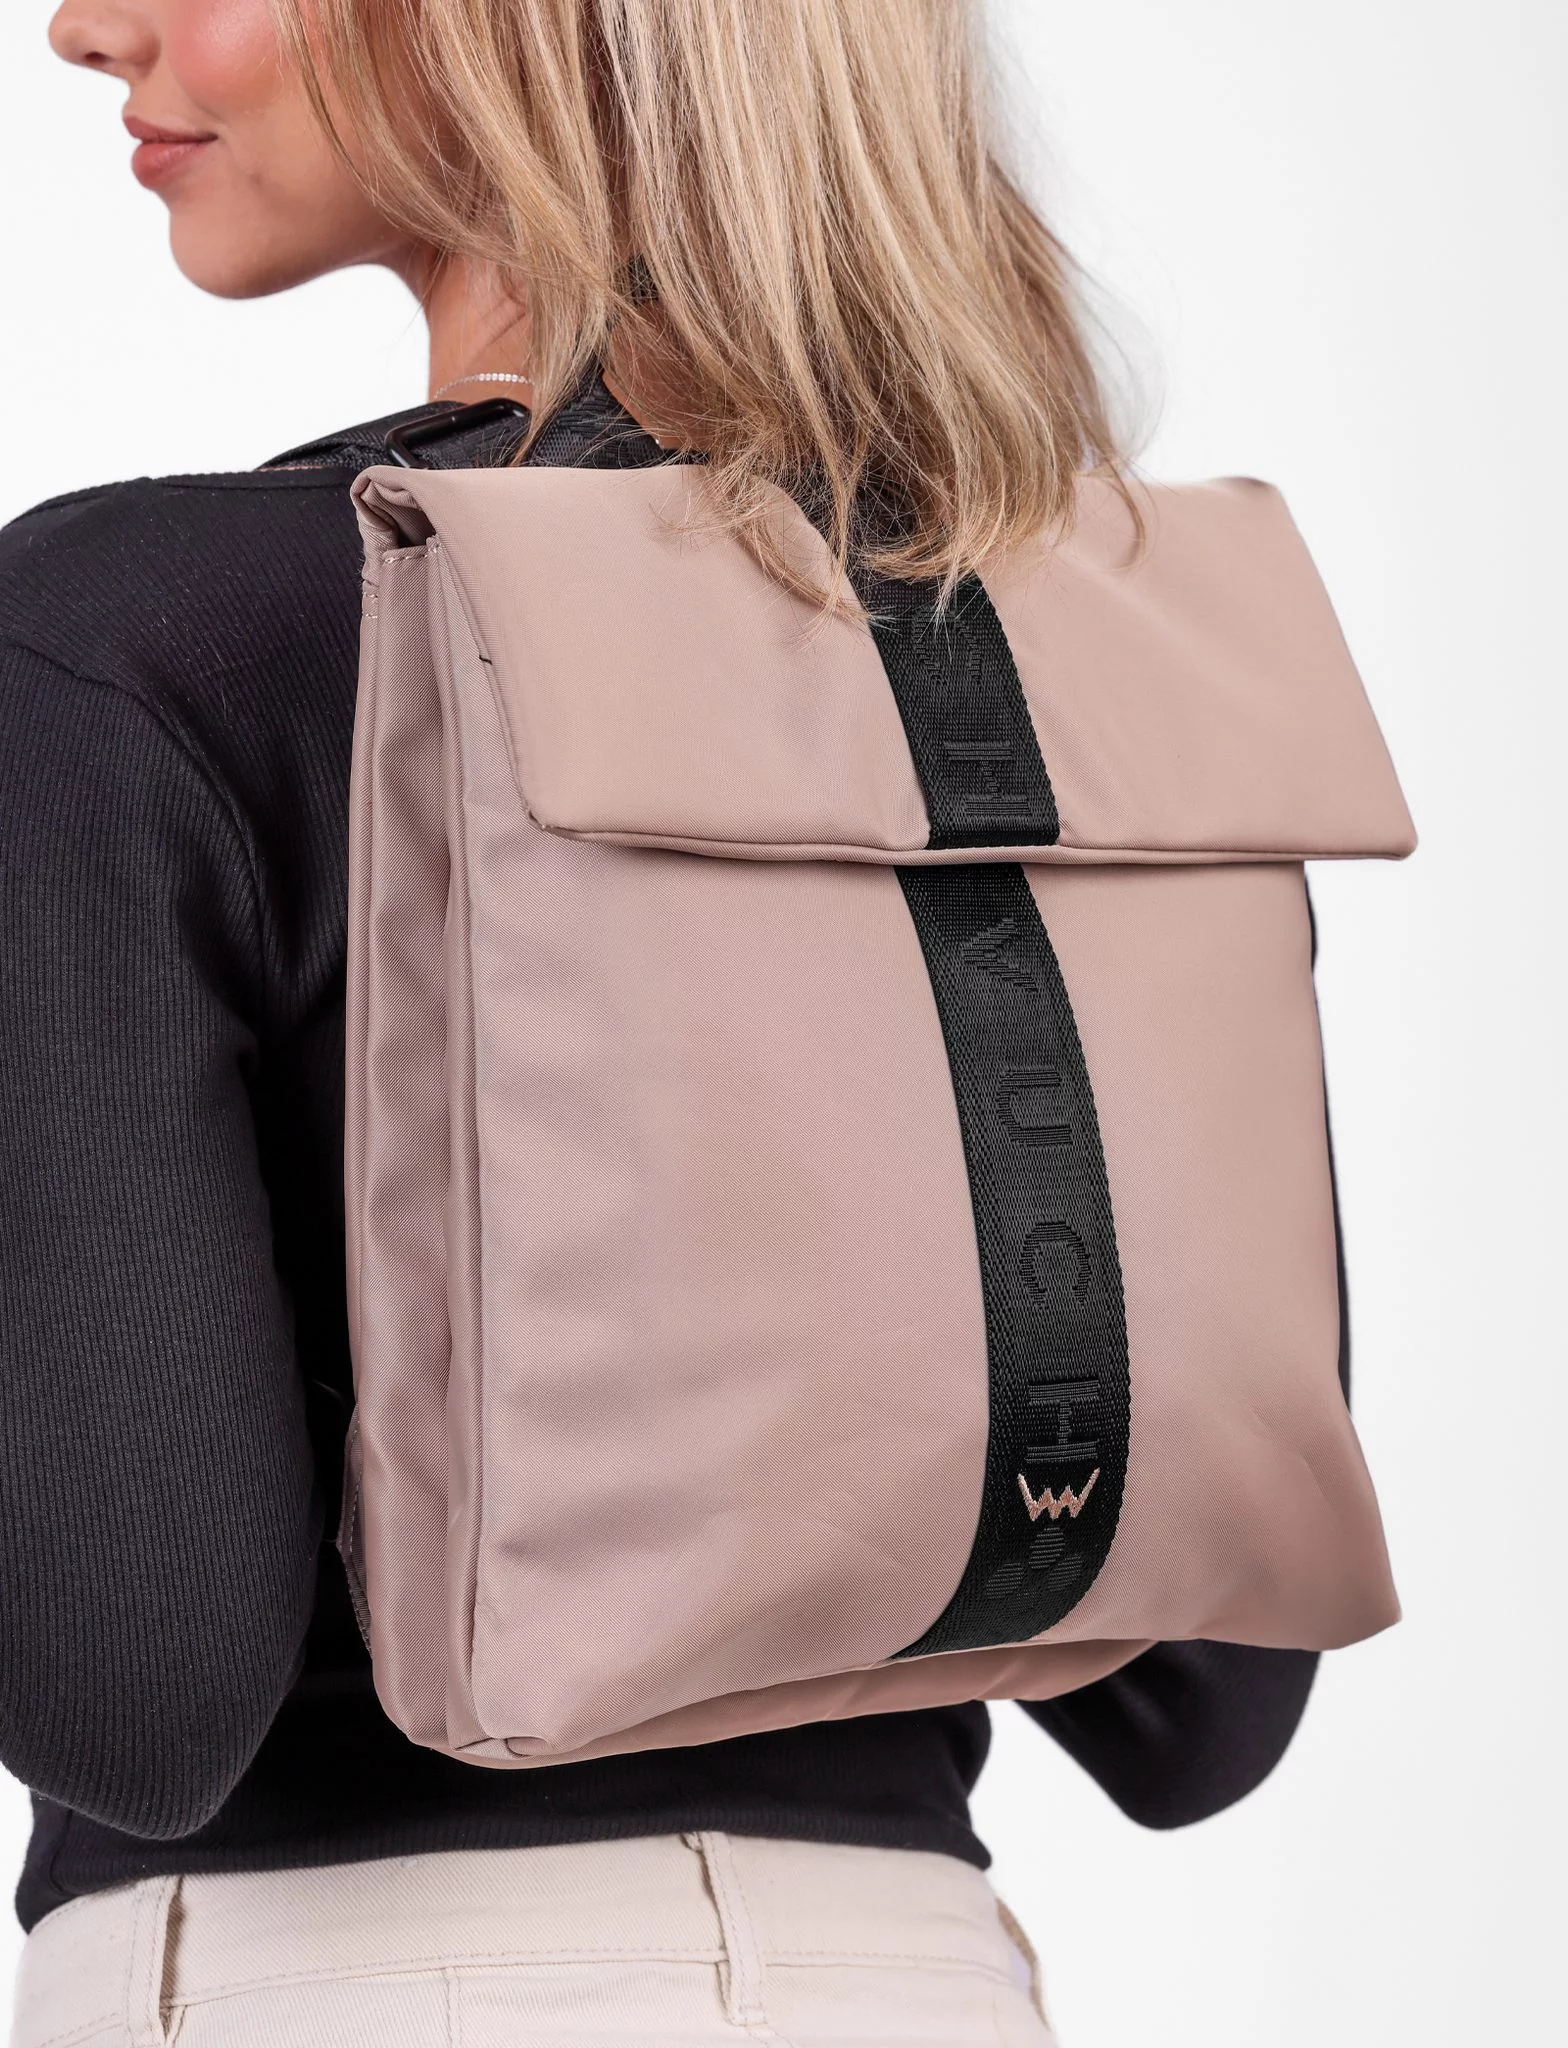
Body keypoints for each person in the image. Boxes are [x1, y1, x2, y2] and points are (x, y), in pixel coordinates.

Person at [1, 3, 1326, 2041]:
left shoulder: (130, 647)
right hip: (916, 1981)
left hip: (348, 1982)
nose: (89, 27)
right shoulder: (1085, 641)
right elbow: (1205, 1697)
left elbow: (135, 1698)